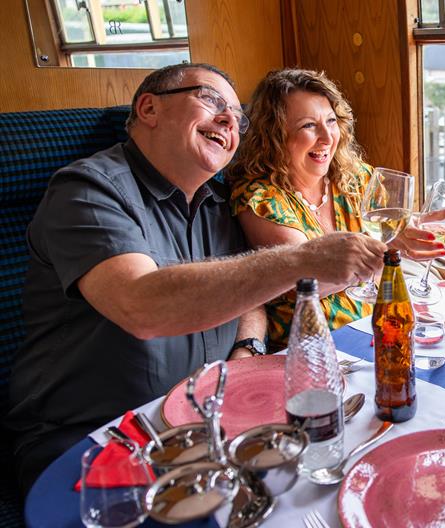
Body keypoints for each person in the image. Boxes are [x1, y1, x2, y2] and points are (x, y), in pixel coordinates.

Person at [6, 63, 388, 493]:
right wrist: (301, 259)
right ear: (149, 108)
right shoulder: (88, 191)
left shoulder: (216, 203)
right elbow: (141, 304)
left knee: (354, 469)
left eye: (237, 116)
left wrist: (248, 351)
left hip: (203, 421)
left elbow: (250, 297)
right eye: (210, 100)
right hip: (95, 433)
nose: (229, 118)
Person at [228, 68, 444, 348]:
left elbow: (393, 230)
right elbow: (307, 281)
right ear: (274, 135)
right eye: (308, 125)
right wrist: (389, 249)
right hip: (316, 345)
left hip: (377, 328)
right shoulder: (259, 197)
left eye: (331, 121)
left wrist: (414, 231)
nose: (328, 138)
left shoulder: (356, 177)